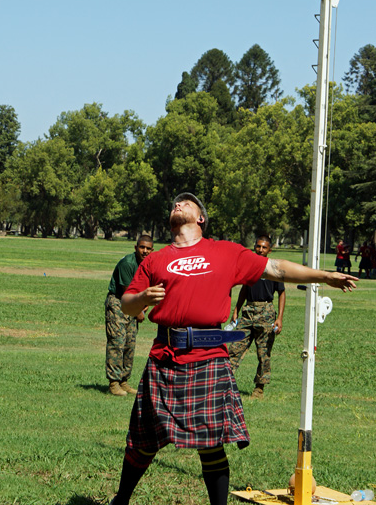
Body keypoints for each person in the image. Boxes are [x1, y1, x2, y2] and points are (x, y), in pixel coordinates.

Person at [110, 193, 357, 505]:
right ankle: (121, 500)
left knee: (211, 443)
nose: (179, 203)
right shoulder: (155, 260)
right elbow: (127, 305)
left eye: (187, 202)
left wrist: (325, 276)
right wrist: (143, 297)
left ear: (201, 218)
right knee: (143, 439)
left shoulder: (224, 252)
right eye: (175, 202)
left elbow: (277, 269)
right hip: (165, 357)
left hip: (208, 356)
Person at [227, 235, 285, 399]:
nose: (260, 250)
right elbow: (244, 289)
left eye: (264, 247)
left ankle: (259, 388)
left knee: (263, 353)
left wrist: (279, 318)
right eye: (258, 246)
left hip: (266, 312)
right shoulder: (249, 266)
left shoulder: (274, 268)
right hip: (248, 311)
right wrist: (237, 309)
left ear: (269, 250)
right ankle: (225, 383)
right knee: (235, 349)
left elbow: (282, 293)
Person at [105, 234, 154, 396]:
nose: (145, 251)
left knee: (129, 344)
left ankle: (124, 381)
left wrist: (144, 306)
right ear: (136, 247)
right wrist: (140, 311)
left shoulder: (149, 264)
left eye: (148, 248)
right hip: (119, 303)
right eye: (142, 247)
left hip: (136, 303)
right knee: (117, 342)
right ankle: (114, 382)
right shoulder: (128, 263)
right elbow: (128, 292)